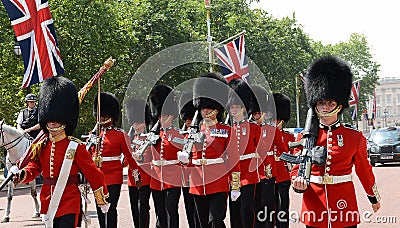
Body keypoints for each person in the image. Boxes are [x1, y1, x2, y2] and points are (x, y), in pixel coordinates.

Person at [291, 56, 381, 227]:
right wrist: (298, 182)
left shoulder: (354, 138)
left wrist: (373, 196)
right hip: (314, 206)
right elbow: (297, 167)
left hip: (344, 206)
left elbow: (364, 170)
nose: (325, 107)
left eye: (330, 102)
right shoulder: (304, 137)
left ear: (339, 105)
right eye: (321, 102)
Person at [11, 76, 110, 228]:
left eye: (56, 119)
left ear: (64, 120)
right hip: (47, 200)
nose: (52, 122)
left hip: (69, 201)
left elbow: (93, 173)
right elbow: (35, 167)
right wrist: (23, 174)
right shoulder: (42, 145)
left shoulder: (75, 147)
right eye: (49, 119)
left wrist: (101, 198)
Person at [182, 72, 240, 228]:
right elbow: (188, 159)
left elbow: (233, 160)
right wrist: (184, 161)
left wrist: (235, 186)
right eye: (202, 108)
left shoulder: (227, 131)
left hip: (218, 181)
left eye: (208, 108)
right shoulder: (193, 132)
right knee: (202, 223)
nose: (205, 111)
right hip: (197, 183)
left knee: (216, 219)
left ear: (217, 109)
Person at [91, 92, 138, 228]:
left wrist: (136, 174)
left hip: (113, 177)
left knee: (110, 208)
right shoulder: (94, 135)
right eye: (100, 115)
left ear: (111, 116)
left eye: (104, 115)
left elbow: (129, 157)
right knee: (100, 208)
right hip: (98, 178)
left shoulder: (120, 135)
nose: (102, 118)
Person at [147, 84, 184, 228]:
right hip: (156, 178)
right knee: (160, 212)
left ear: (172, 116)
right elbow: (147, 155)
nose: (163, 119)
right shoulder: (154, 135)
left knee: (171, 209)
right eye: (161, 116)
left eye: (166, 116)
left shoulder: (178, 134)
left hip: (173, 177)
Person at [226, 79, 261, 228]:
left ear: (244, 108)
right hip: (233, 174)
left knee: (247, 208)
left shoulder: (253, 127)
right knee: (234, 208)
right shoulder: (228, 129)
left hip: (248, 173)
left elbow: (262, 149)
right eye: (232, 107)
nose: (234, 110)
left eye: (237, 107)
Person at [250, 85, 286, 228]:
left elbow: (282, 149)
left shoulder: (272, 129)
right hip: (253, 171)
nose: (256, 115)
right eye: (255, 113)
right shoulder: (249, 129)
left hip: (268, 171)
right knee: (255, 203)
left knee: (267, 204)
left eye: (259, 113)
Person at [125, 98, 152, 228]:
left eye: (138, 122)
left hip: (145, 177)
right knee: (134, 207)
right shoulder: (130, 138)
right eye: (134, 122)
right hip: (132, 178)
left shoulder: (149, 138)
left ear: (144, 123)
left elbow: (148, 156)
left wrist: (138, 157)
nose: (136, 125)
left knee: (143, 207)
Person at [177, 91, 199, 228]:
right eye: (186, 119)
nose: (188, 122)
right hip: (185, 177)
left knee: (199, 210)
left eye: (189, 119)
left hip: (197, 176)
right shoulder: (181, 134)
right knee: (189, 208)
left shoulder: (200, 133)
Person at [272, 93, 293, 228]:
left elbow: (291, 155)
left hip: (283, 176)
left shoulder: (289, 137)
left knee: (282, 205)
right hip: (269, 175)